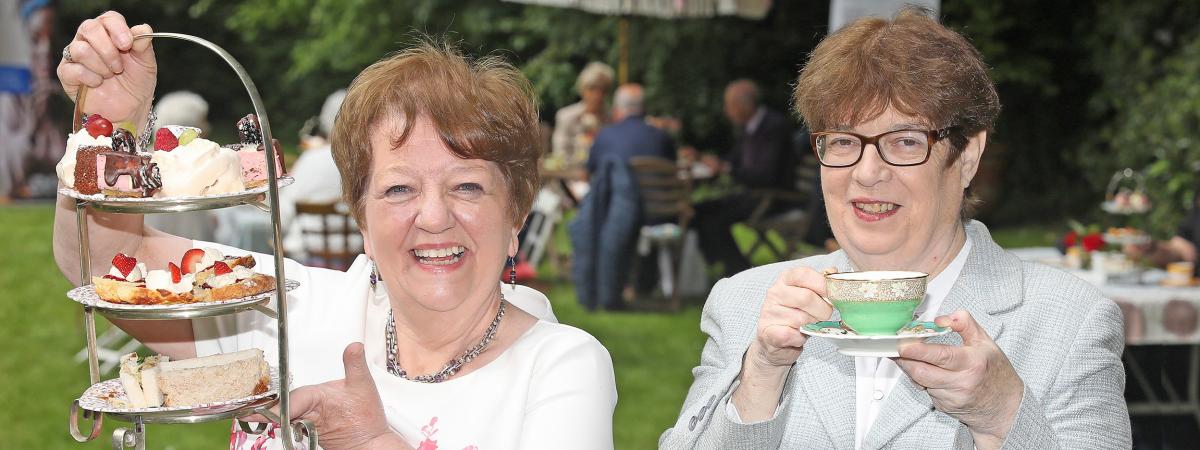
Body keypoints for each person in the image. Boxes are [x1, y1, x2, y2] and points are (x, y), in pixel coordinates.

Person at [54, 11, 615, 449]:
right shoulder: (287, 315)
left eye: (467, 186)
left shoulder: (561, 367)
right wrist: (112, 126)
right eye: (399, 189)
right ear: (362, 220)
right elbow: (108, 258)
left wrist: (371, 443)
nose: (435, 216)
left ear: (515, 214)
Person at [659, 8, 1129, 449]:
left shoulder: (1068, 321)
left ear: (967, 155)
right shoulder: (748, 306)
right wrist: (759, 379)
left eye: (905, 142)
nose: (867, 172)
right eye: (843, 141)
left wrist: (1003, 413)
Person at [569, 84, 675, 311]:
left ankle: (619, 283)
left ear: (618, 109)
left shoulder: (605, 136)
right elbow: (673, 170)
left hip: (615, 218)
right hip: (658, 216)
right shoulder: (661, 137)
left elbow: (590, 175)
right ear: (643, 109)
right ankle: (645, 282)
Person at [693, 79, 797, 276]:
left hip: (772, 198)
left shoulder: (772, 127)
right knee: (700, 210)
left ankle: (737, 271)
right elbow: (733, 160)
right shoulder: (751, 128)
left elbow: (764, 176)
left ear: (744, 105)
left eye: (729, 106)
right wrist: (711, 162)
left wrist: (725, 168)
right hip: (754, 195)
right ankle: (717, 264)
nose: (726, 111)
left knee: (715, 220)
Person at [275, 89, 362, 265]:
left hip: (307, 256)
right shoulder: (368, 160)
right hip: (358, 255)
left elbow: (282, 214)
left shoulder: (311, 159)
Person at [144, 91, 219, 242]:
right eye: (203, 121)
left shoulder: (143, 159)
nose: (207, 127)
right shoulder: (195, 161)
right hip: (189, 241)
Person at [552, 61, 613, 166]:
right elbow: (560, 154)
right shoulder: (566, 116)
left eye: (603, 89)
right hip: (572, 176)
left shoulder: (613, 118)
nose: (597, 95)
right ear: (582, 89)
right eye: (592, 88)